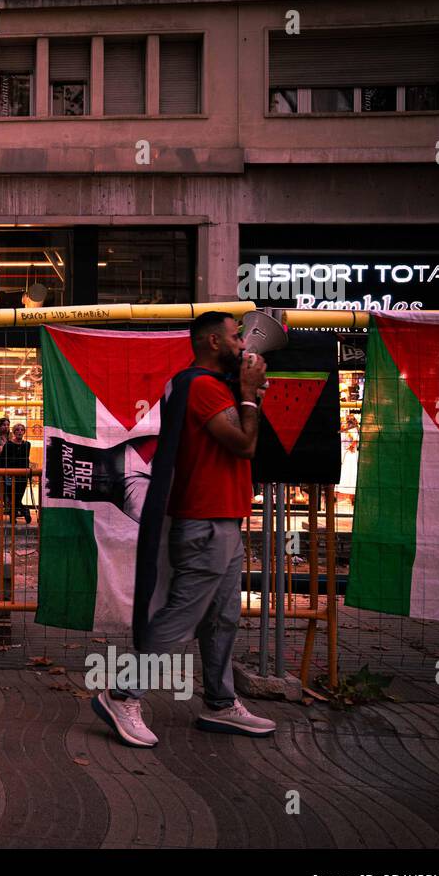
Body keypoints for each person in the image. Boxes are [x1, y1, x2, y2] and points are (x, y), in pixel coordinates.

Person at [92, 311, 276, 747]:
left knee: (222, 617)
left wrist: (248, 395)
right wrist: (249, 395)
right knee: (181, 618)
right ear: (213, 342)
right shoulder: (202, 388)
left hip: (223, 519)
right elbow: (244, 445)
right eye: (235, 337)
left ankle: (219, 702)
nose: (243, 345)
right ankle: (122, 693)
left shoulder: (196, 384)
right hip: (206, 521)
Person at [0, 423, 33, 523]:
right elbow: (3, 459)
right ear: (14, 432)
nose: (19, 432)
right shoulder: (8, 444)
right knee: (11, 495)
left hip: (22, 474)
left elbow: (25, 458)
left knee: (18, 496)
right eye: (17, 430)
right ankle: (23, 511)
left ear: (24, 432)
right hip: (10, 474)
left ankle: (14, 515)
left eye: (22, 430)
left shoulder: (27, 444)